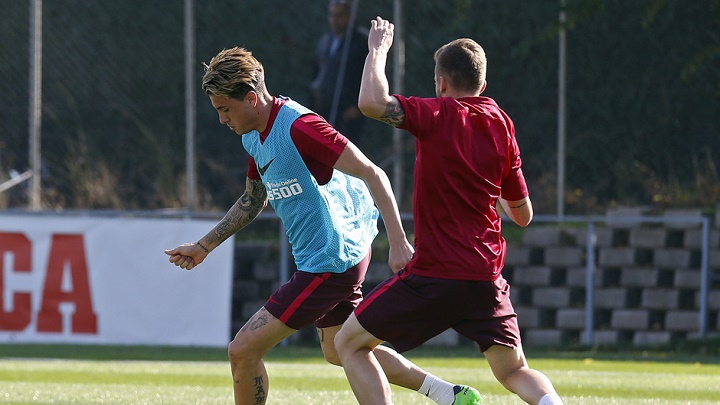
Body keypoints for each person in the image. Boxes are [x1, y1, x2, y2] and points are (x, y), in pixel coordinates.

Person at [164, 47, 482, 405]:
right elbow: (253, 200)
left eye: (224, 109)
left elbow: (372, 172)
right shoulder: (252, 136)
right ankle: (449, 395)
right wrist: (203, 246)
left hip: (330, 261)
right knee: (340, 348)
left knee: (242, 351)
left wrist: (398, 241)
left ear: (251, 99)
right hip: (328, 257)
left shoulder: (300, 127)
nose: (222, 120)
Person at [335, 17, 565, 405]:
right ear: (483, 86)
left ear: (441, 83)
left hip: (434, 276)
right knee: (514, 370)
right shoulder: (502, 124)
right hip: (485, 278)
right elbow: (523, 215)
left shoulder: (437, 114)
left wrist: (377, 50)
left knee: (349, 344)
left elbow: (371, 103)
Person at [309, 0, 369, 147]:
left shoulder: (362, 41)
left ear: (350, 15)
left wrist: (357, 106)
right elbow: (317, 73)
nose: (335, 20)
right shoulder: (326, 41)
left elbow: (368, 76)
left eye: (339, 15)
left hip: (348, 112)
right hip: (324, 108)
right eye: (332, 15)